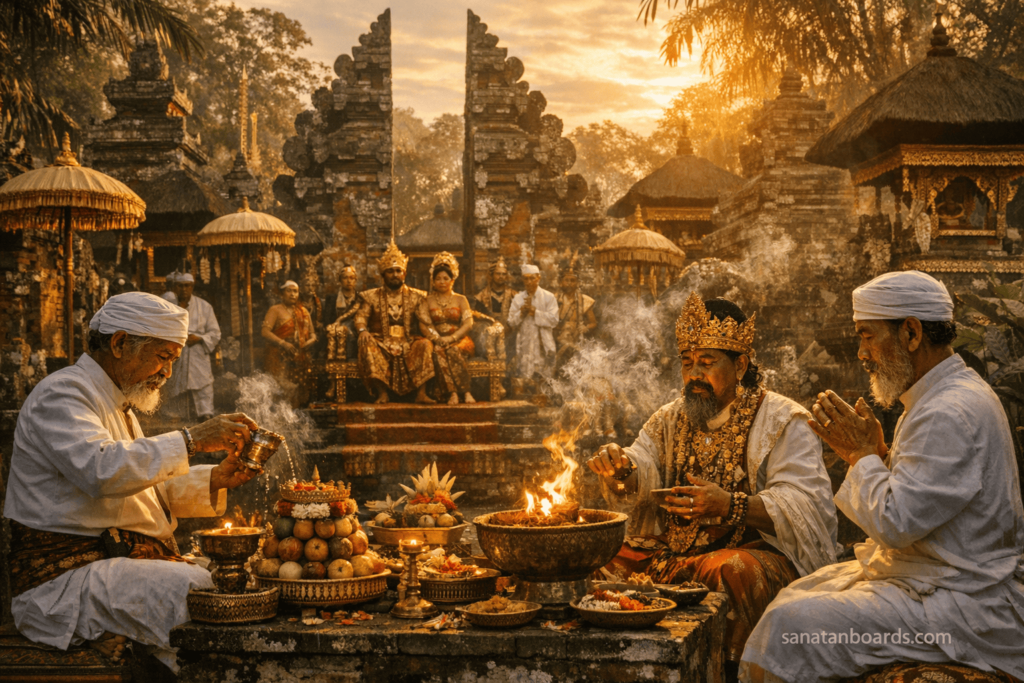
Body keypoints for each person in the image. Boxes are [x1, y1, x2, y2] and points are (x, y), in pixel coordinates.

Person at [741, 271, 1024, 683]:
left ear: (911, 333)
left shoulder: (947, 410)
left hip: (962, 602)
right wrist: (880, 456)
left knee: (790, 626)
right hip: (935, 581)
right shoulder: (940, 395)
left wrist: (861, 456)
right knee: (799, 594)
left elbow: (896, 524)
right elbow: (930, 496)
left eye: (867, 335)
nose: (862, 352)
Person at [4, 292, 259, 673]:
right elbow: (103, 471)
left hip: (113, 565)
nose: (167, 373)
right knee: (204, 592)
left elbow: (137, 487)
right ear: (120, 343)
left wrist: (213, 479)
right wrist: (192, 440)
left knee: (243, 578)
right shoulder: (63, 393)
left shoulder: (114, 400)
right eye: (163, 357)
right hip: (62, 584)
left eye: (172, 360)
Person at [587, 293, 838, 674]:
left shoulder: (783, 420)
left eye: (706, 363)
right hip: (674, 553)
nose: (694, 375)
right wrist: (621, 467)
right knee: (597, 553)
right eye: (687, 363)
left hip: (747, 555)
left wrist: (730, 506)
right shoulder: (671, 416)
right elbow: (643, 462)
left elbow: (805, 506)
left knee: (732, 570)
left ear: (740, 365)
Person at [354, 241, 434, 404]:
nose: (395, 274)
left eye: (398, 271)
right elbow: (361, 317)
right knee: (367, 344)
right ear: (383, 274)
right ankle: (382, 393)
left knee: (425, 344)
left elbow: (425, 321)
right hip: (381, 341)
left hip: (409, 340)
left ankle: (421, 393)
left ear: (404, 273)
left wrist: (435, 335)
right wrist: (362, 330)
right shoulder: (371, 296)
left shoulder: (417, 296)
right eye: (390, 271)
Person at [417, 252, 476, 405]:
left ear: (452, 280)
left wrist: (452, 338)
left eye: (445, 278)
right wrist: (437, 339)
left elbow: (468, 323)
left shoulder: (461, 299)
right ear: (433, 281)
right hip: (438, 340)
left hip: (460, 339)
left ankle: (466, 391)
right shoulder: (427, 300)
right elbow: (425, 324)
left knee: (453, 350)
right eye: (438, 278)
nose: (442, 282)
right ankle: (453, 393)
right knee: (438, 351)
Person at [163, 272, 221, 421]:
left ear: (192, 287)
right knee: (174, 383)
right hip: (177, 352)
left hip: (197, 352)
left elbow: (215, 333)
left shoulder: (204, 307)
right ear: (175, 287)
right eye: (180, 286)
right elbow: (161, 328)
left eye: (187, 286)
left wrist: (199, 338)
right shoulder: (168, 306)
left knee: (202, 383)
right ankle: (175, 414)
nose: (184, 289)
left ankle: (205, 413)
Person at [261, 280, 317, 406]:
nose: (292, 294)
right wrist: (283, 343)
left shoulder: (303, 311)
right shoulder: (275, 310)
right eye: (289, 291)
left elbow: (313, 334)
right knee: (282, 393)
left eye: (295, 291)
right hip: (279, 357)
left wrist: (311, 340)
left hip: (300, 358)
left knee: (300, 394)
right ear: (282, 293)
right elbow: (265, 332)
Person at [507, 264, 558, 389]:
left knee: (544, 377)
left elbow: (554, 320)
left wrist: (535, 312)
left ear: (538, 278)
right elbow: (511, 322)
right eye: (526, 278)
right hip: (524, 343)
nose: (529, 282)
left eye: (532, 278)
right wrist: (521, 313)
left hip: (543, 343)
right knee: (525, 376)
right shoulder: (518, 298)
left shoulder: (548, 297)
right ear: (522, 280)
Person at [554, 259, 597, 371]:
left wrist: (586, 327)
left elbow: (593, 323)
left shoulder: (584, 300)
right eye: (566, 280)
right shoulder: (554, 299)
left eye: (572, 280)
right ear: (561, 282)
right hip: (557, 339)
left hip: (575, 339)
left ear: (577, 283)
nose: (569, 283)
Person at [326, 265, 363, 361]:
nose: (349, 281)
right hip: (335, 328)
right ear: (340, 280)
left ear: (355, 280)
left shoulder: (360, 298)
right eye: (345, 278)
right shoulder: (332, 298)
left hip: (355, 329)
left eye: (352, 278)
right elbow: (327, 319)